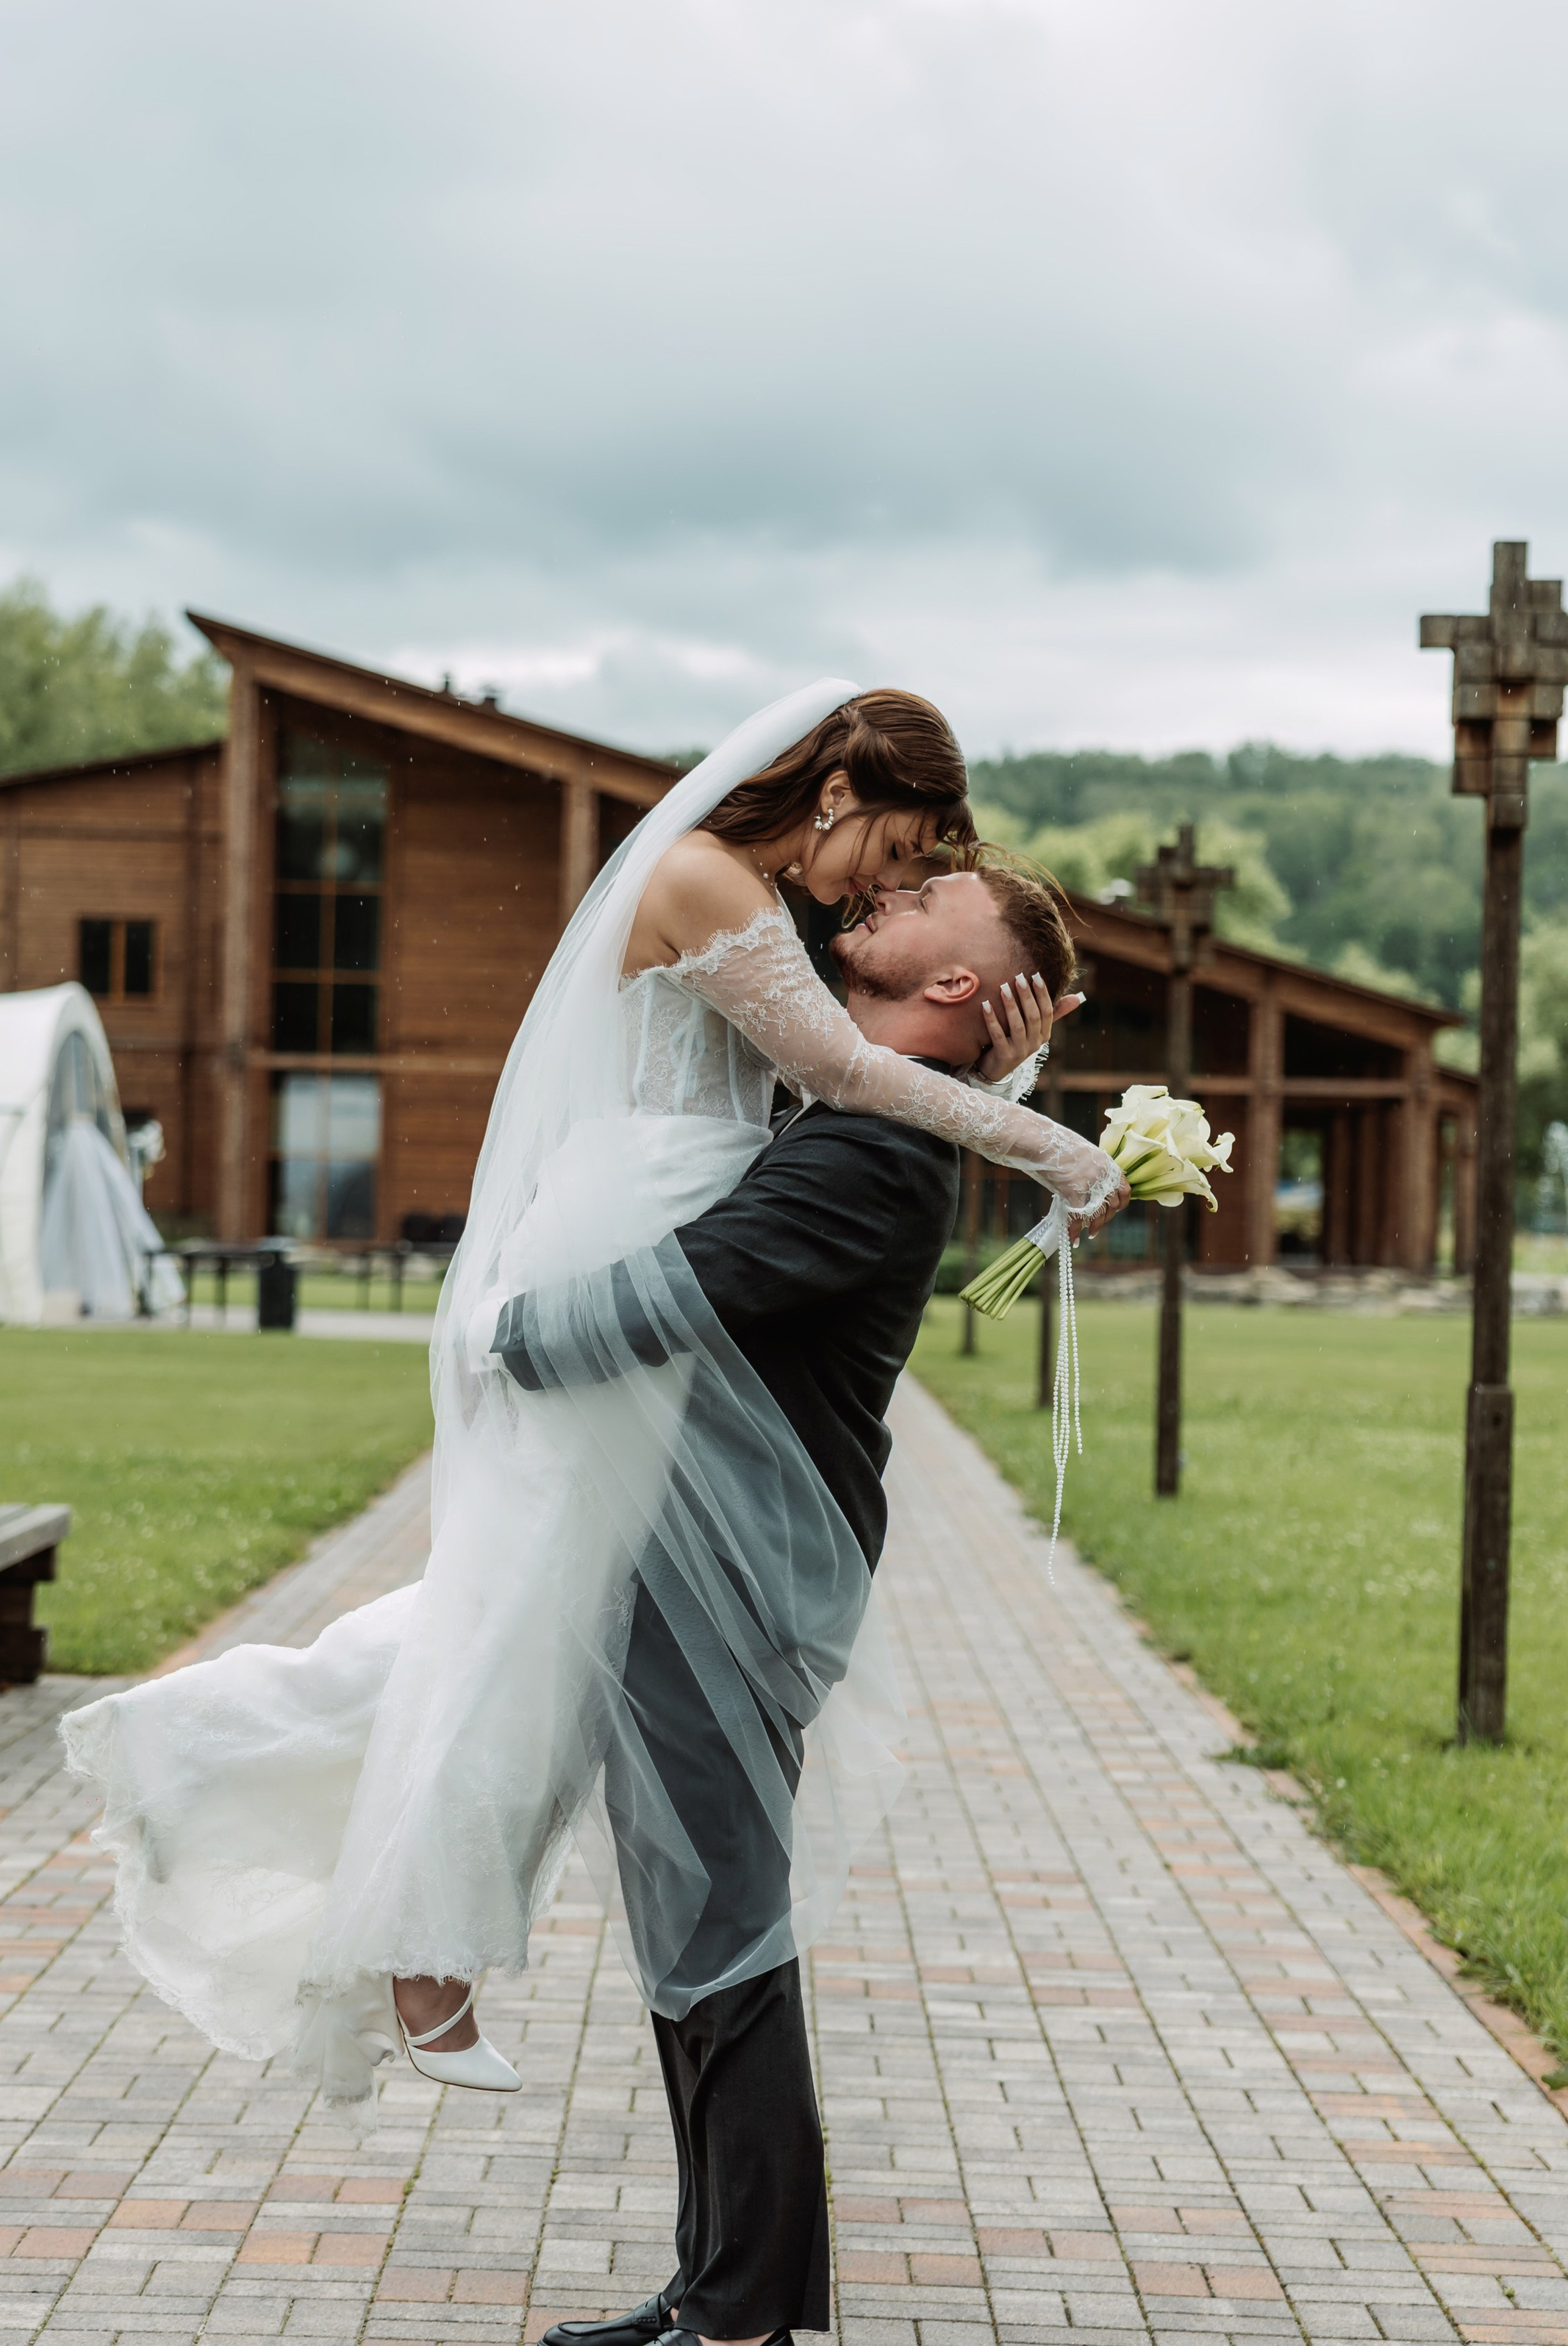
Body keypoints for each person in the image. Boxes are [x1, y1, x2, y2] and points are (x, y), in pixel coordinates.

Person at [60, 683, 1122, 2117]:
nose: (891, 882)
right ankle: (419, 1956)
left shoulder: (768, 904)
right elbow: (837, 1068)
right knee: (530, 1613)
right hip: (621, 1232)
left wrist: (1007, 1049)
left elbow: (886, 1045)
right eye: (901, 844)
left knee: (524, 1602)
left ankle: (210, 1756)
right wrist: (1045, 1142)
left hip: (664, 1229)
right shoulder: (697, 878)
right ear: (834, 792)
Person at [500, 864, 1077, 2346]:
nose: (892, 884)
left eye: (934, 895)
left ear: (960, 990)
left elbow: (694, 1286)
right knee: (695, 1931)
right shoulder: (867, 1104)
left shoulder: (879, 1152)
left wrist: (505, 1335)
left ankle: (741, 2336)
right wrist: (1009, 1081)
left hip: (738, 1585)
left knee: (727, 1946)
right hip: (708, 1567)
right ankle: (710, 2283)